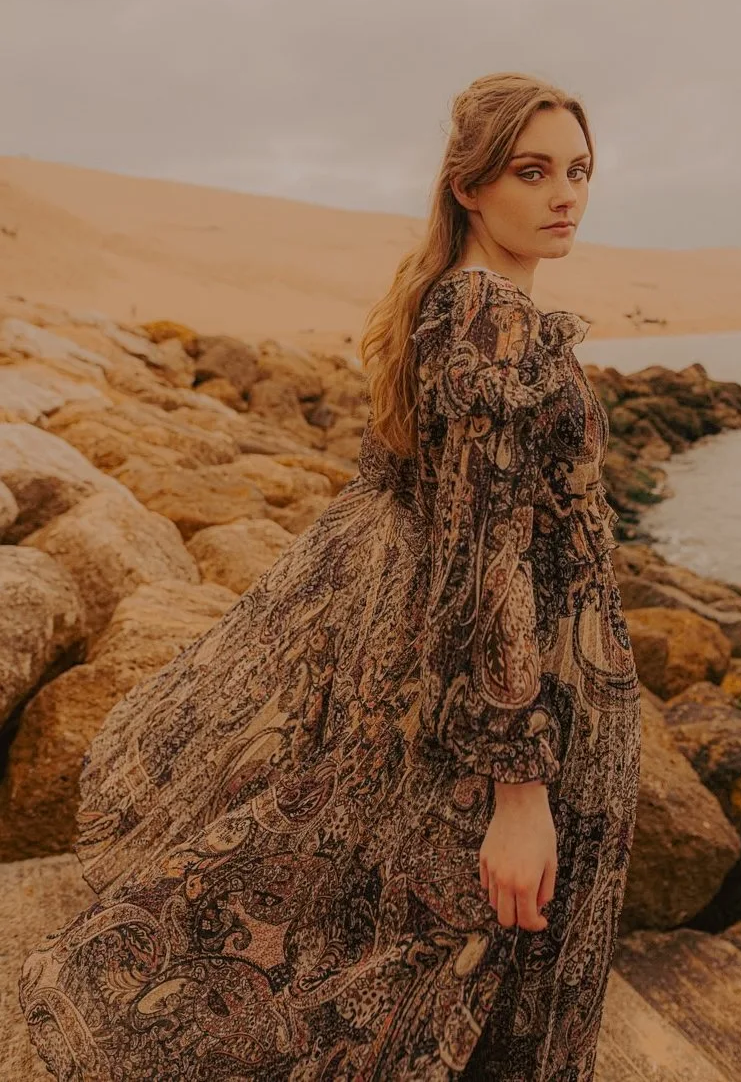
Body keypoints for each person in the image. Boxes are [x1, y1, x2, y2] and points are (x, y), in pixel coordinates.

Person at [19, 70, 642, 1080]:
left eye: (577, 169)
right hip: (534, 680)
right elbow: (486, 547)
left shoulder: (449, 299)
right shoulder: (492, 320)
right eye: (533, 171)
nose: (565, 193)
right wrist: (520, 784)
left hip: (492, 658)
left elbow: (406, 499)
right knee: (479, 934)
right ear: (471, 186)